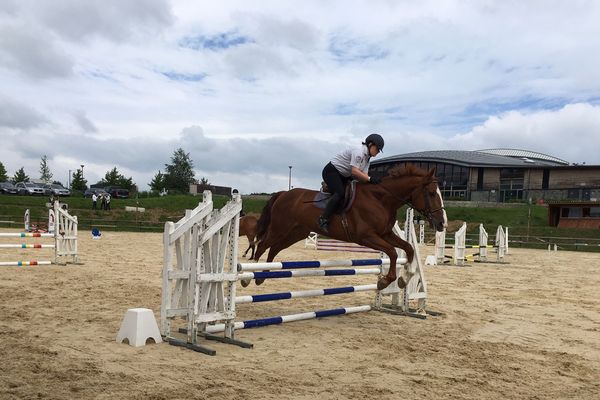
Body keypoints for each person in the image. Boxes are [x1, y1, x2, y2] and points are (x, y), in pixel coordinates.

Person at [318, 133, 384, 233]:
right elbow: (355, 171)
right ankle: (323, 219)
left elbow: (363, 176)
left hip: (343, 175)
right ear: (370, 145)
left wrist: (373, 182)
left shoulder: (367, 158)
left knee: (354, 193)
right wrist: (370, 179)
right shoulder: (359, 152)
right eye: (377, 149)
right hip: (331, 171)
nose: (378, 152)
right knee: (340, 193)